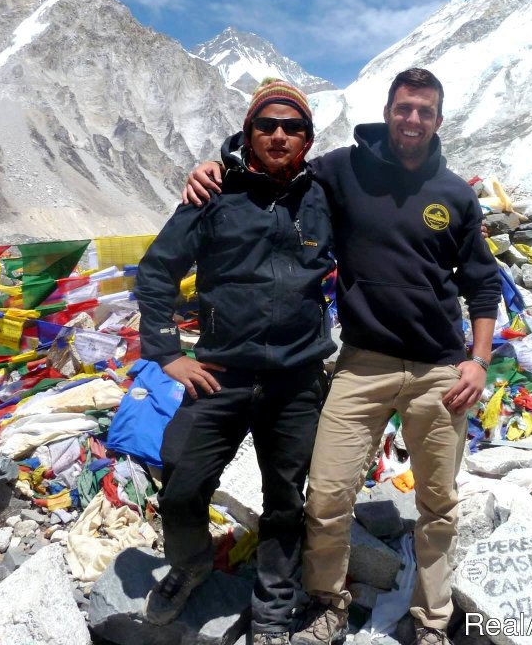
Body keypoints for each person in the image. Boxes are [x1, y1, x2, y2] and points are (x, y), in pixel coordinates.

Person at [183, 68, 501, 645]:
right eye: (404, 109)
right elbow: (274, 164)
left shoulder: (456, 195)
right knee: (327, 497)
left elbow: (482, 286)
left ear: (438, 120)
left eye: (424, 112)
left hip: (438, 370)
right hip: (362, 363)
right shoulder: (342, 170)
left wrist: (478, 361)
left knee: (438, 504)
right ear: (388, 109)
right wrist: (215, 166)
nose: (412, 120)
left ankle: (431, 621)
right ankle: (327, 604)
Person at [137, 79, 335, 643]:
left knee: (285, 497)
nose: (278, 135)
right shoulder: (213, 194)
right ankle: (193, 561)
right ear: (247, 133)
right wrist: (167, 354)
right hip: (220, 373)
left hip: (296, 377)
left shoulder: (324, 196)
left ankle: (274, 603)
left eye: (291, 126)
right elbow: (156, 272)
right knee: (179, 480)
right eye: (266, 125)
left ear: (307, 138)